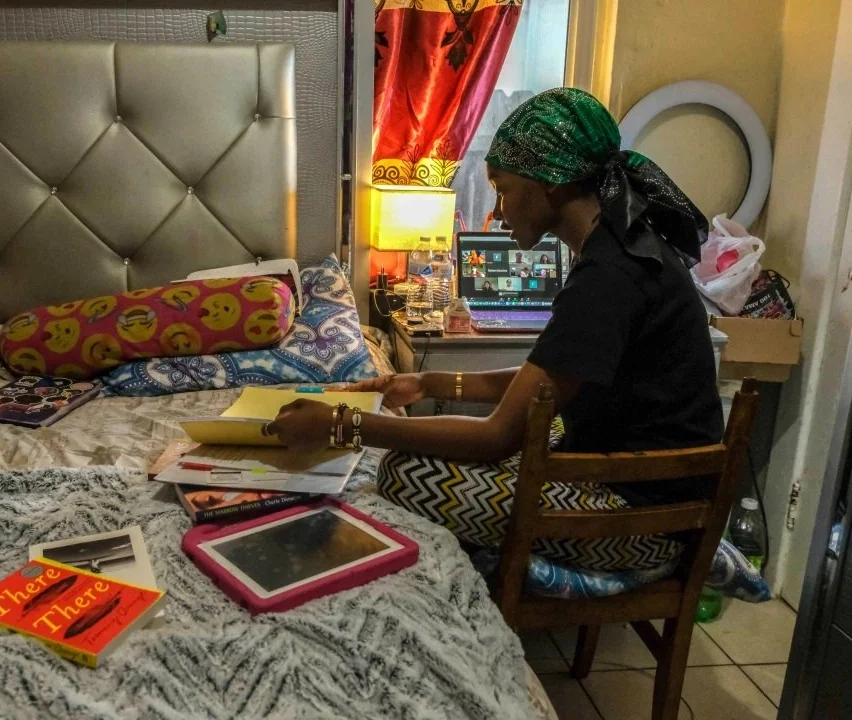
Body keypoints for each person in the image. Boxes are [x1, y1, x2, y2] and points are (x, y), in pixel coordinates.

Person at [263, 88, 722, 571]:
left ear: (551, 184)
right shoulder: (619, 248)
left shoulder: (610, 275)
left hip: (647, 518)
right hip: (639, 478)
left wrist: (341, 424)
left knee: (404, 472)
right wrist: (429, 383)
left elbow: (497, 437)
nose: (498, 211)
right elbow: (542, 383)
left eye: (503, 189)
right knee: (448, 447)